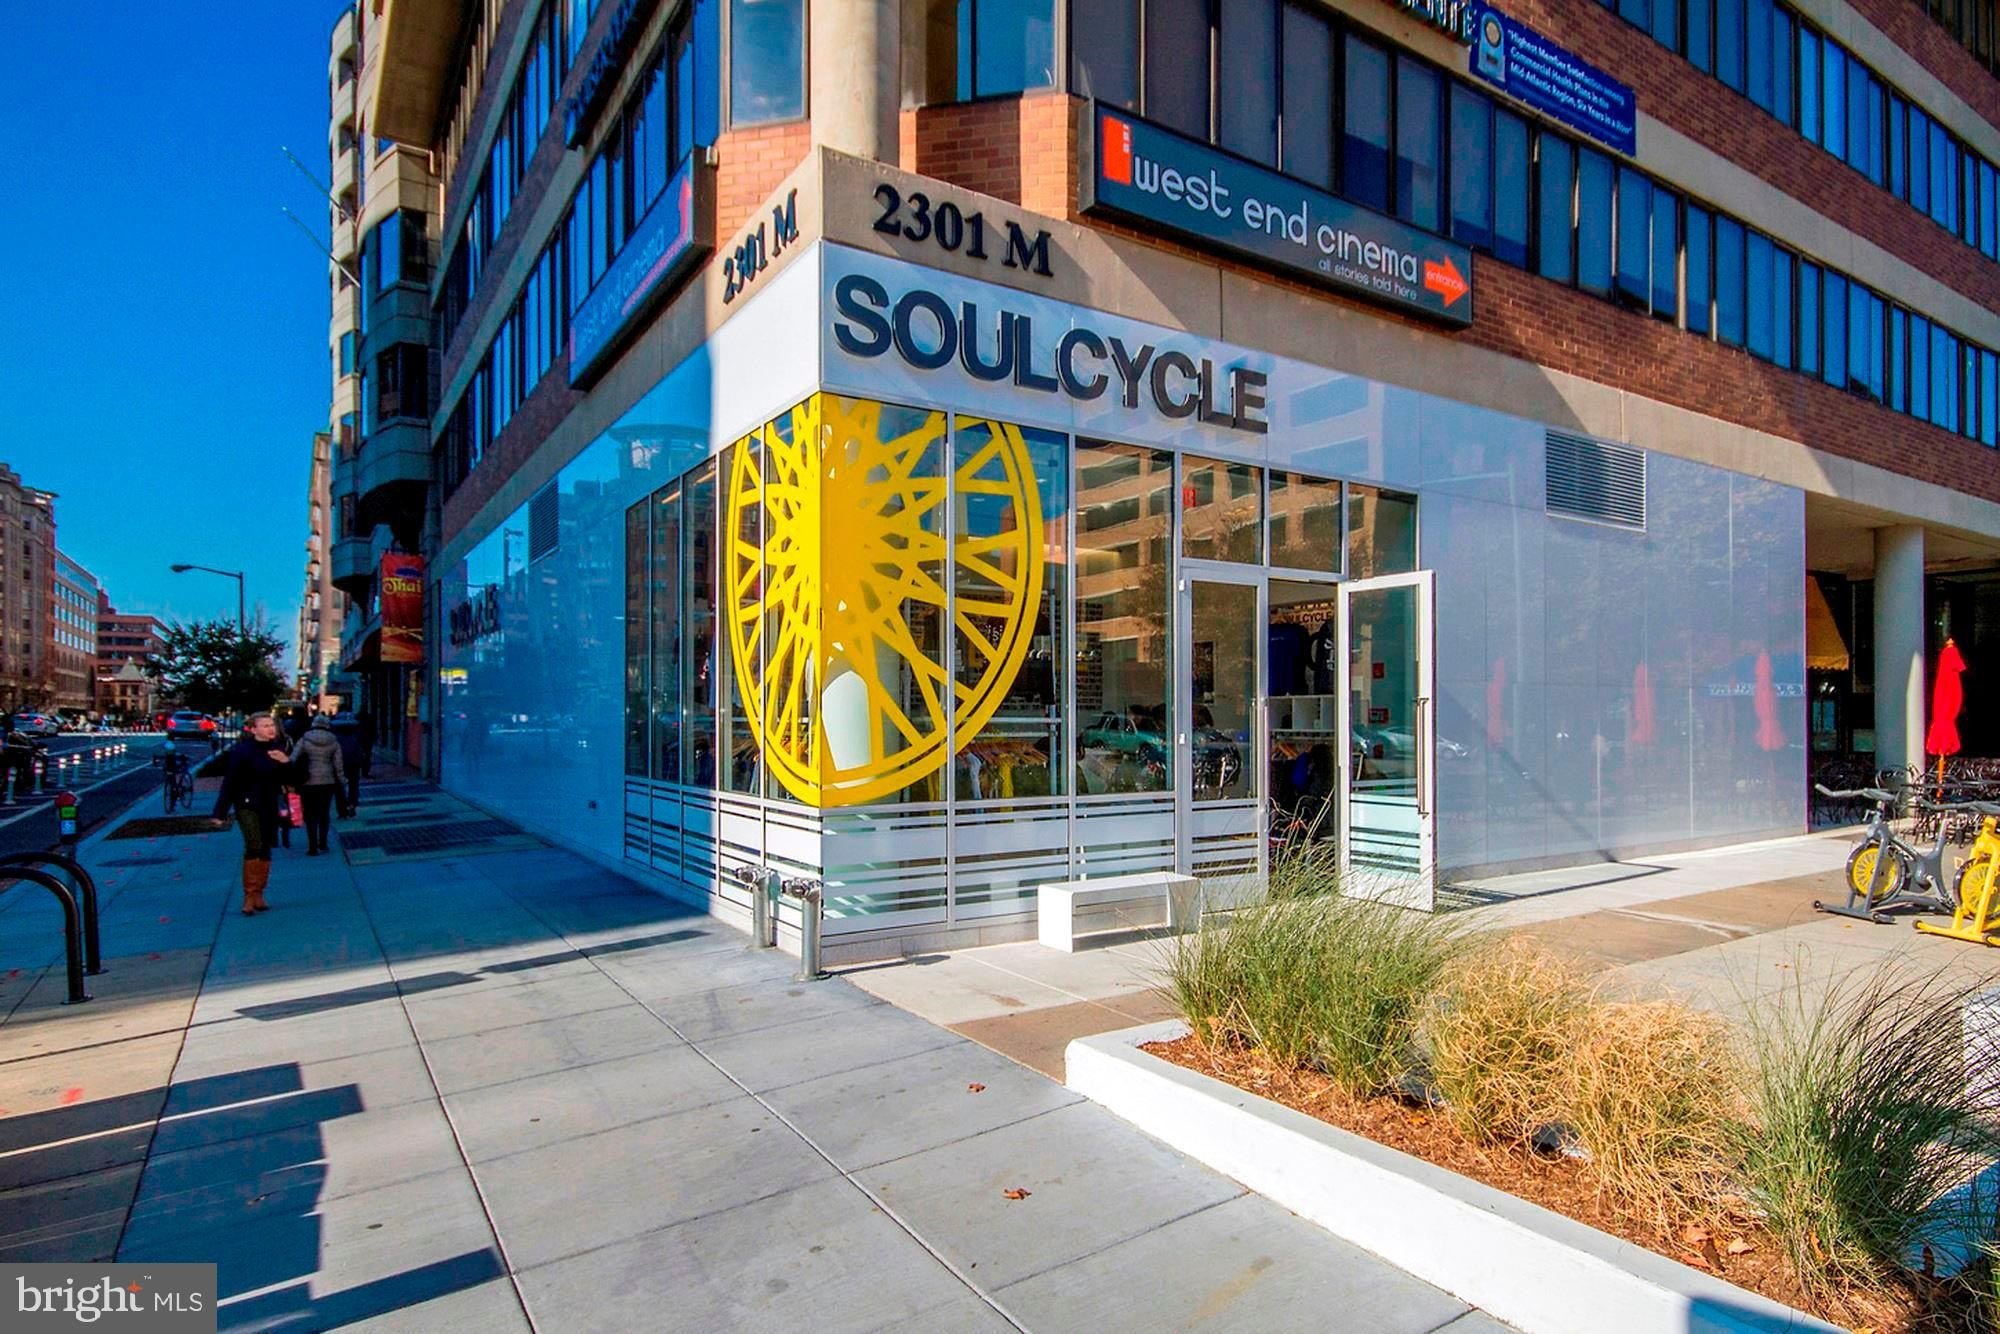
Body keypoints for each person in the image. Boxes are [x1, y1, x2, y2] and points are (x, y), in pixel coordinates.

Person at [212, 712, 292, 915]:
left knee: (265, 846)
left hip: (270, 804)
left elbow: (295, 778)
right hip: (247, 804)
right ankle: (249, 894)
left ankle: (259, 893)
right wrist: (220, 812)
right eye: (265, 725)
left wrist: (286, 762)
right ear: (254, 729)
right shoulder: (242, 751)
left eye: (272, 725)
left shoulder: (279, 749)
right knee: (253, 844)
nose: (270, 729)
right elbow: (230, 782)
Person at [290, 714, 346, 856]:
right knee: (324, 813)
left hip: (308, 781)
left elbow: (293, 758)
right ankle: (323, 843)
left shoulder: (304, 739)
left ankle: (312, 846)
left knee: (310, 814)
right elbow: (338, 764)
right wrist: (341, 780)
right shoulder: (334, 741)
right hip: (327, 781)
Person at [329, 713, 364, 814]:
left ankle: (342, 809)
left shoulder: (335, 736)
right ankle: (352, 804)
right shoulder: (356, 734)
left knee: (339, 786)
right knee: (353, 784)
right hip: (353, 762)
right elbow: (360, 748)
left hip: (339, 762)